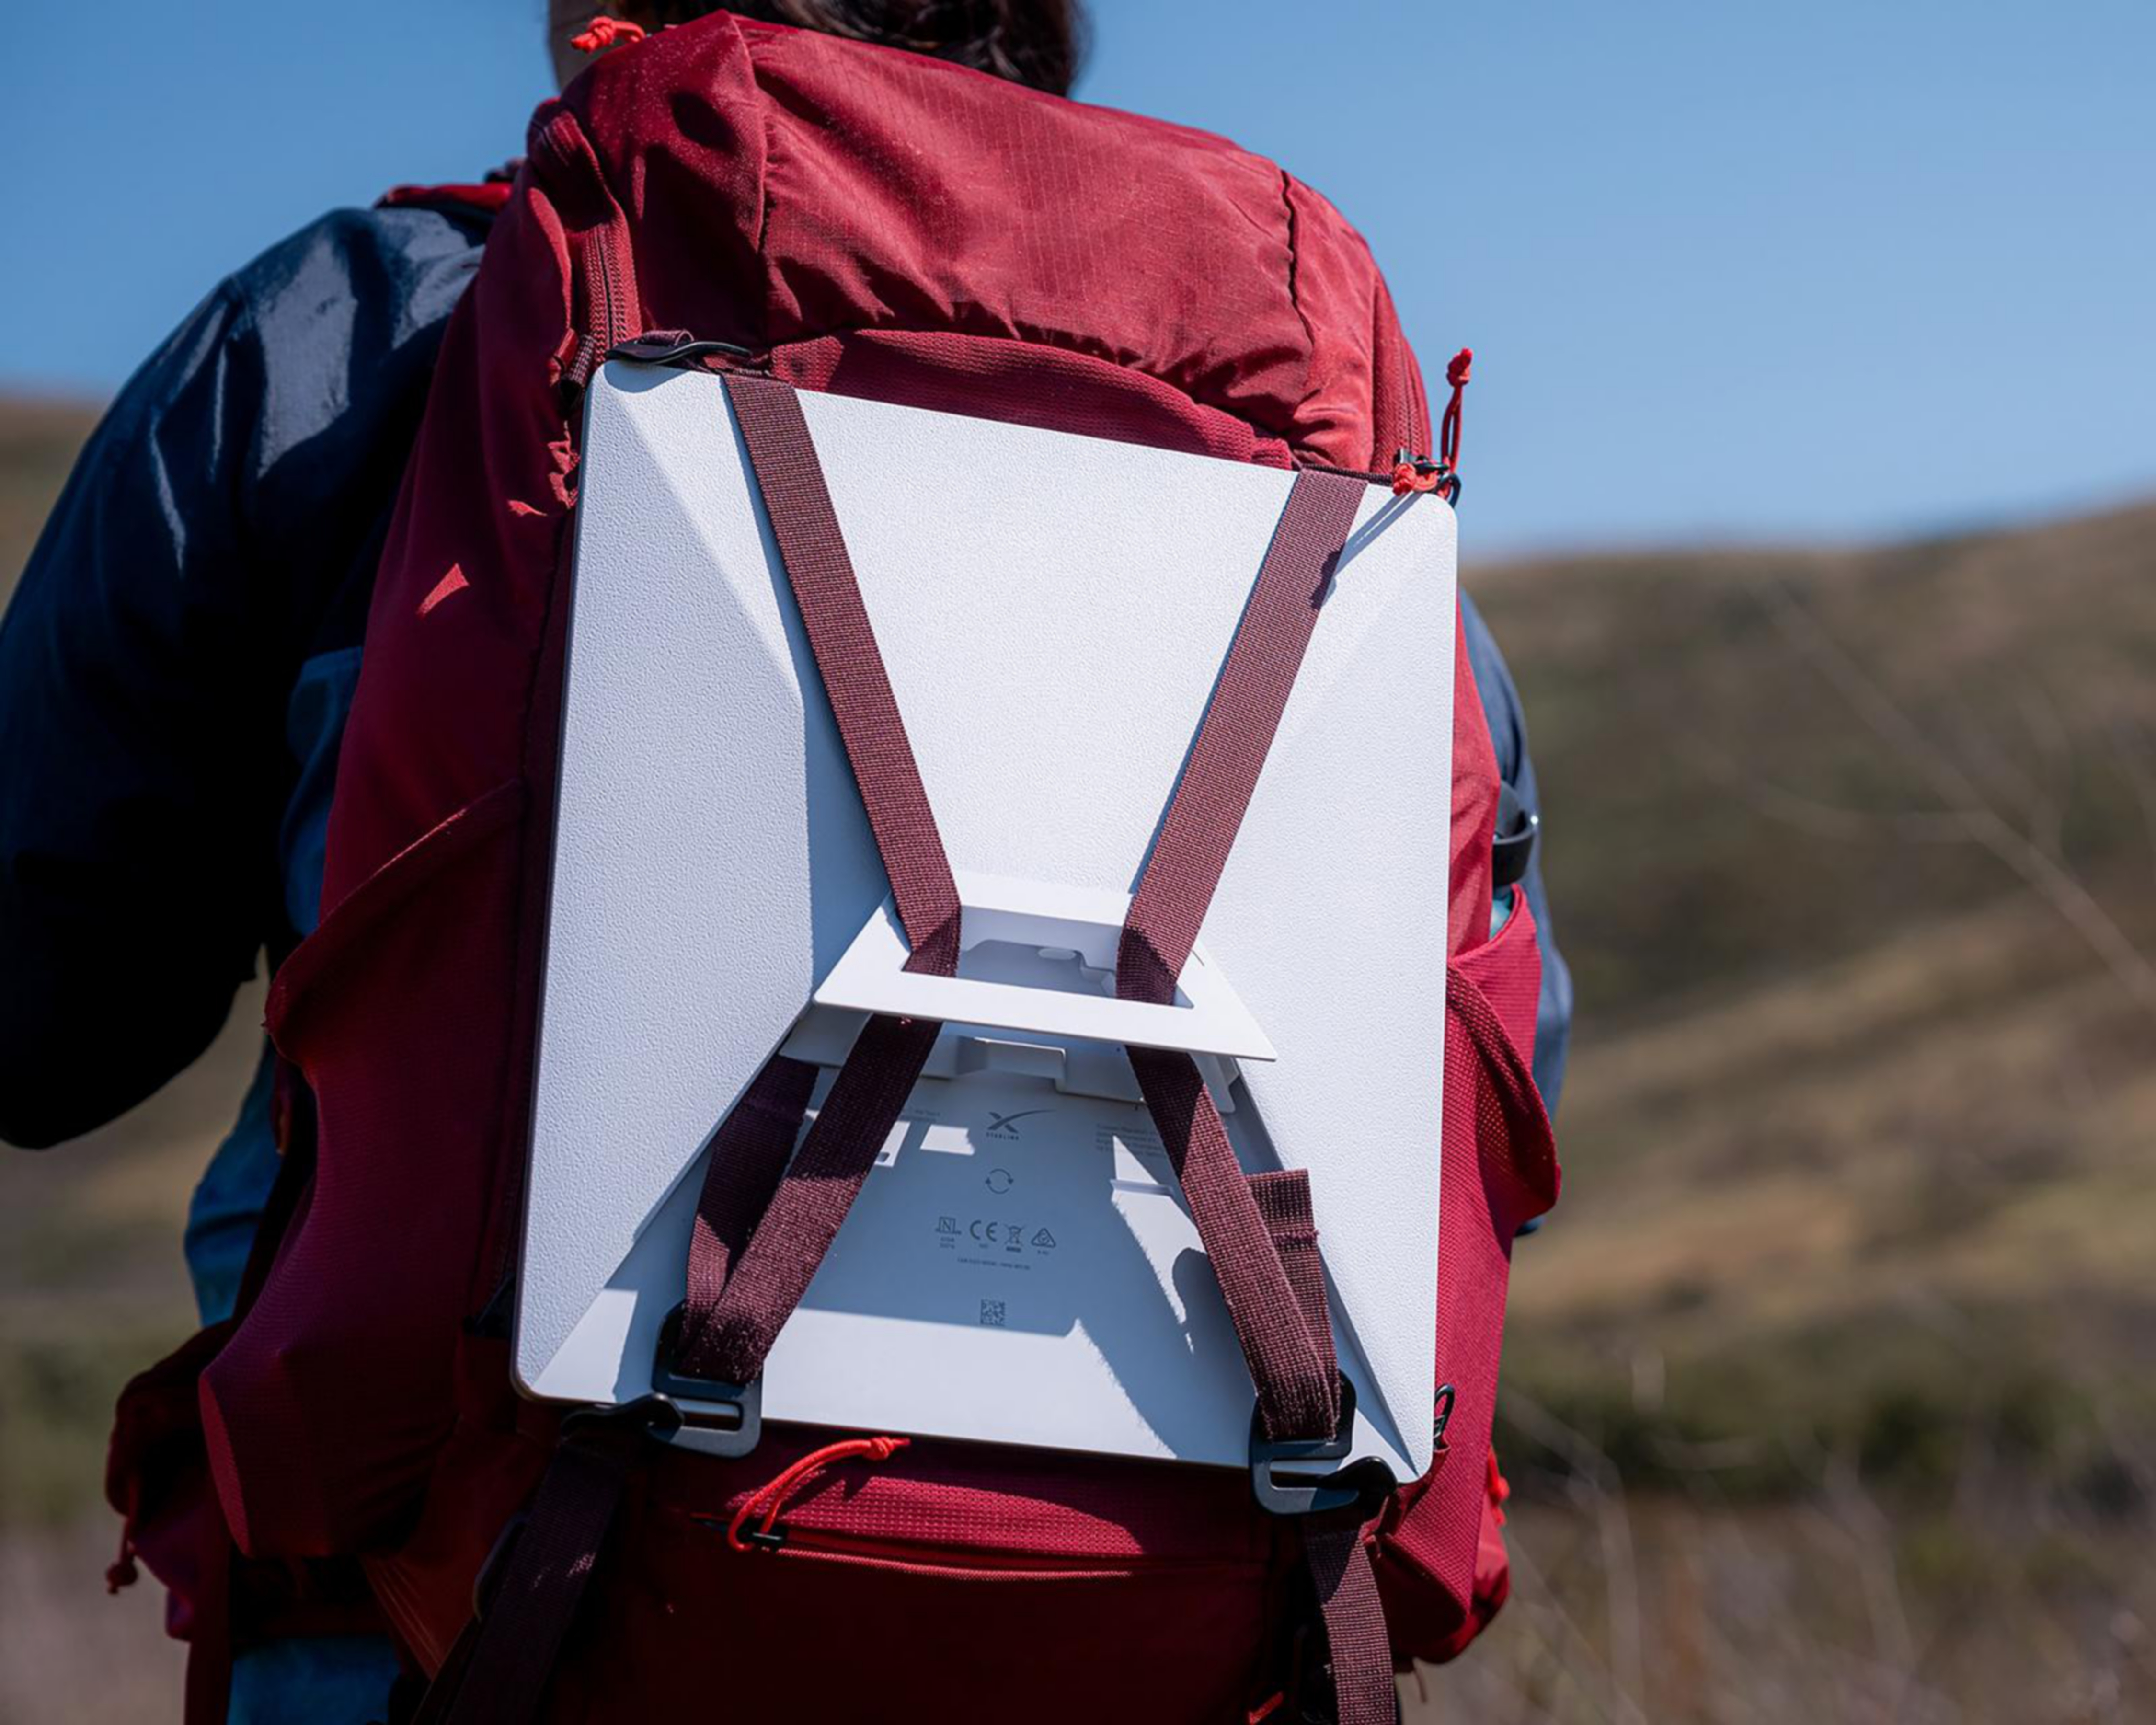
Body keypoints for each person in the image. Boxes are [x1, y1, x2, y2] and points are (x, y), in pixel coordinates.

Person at [0, 3, 1567, 1718]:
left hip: (443, 1609)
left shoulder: (363, 336)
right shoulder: (1316, 452)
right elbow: (1489, 1073)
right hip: (1163, 1616)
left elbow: (51, 1018)